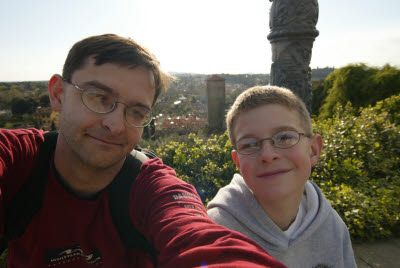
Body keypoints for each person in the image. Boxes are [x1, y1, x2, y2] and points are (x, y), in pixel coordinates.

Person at [0, 34, 286, 267]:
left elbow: (197, 236)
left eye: (136, 112)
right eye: (99, 97)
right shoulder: (17, 159)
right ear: (58, 94)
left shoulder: (150, 187)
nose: (114, 125)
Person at [207, 85, 357, 268]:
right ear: (237, 162)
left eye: (285, 137)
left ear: (313, 150)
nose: (268, 155)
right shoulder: (215, 234)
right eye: (249, 145)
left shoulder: (333, 227)